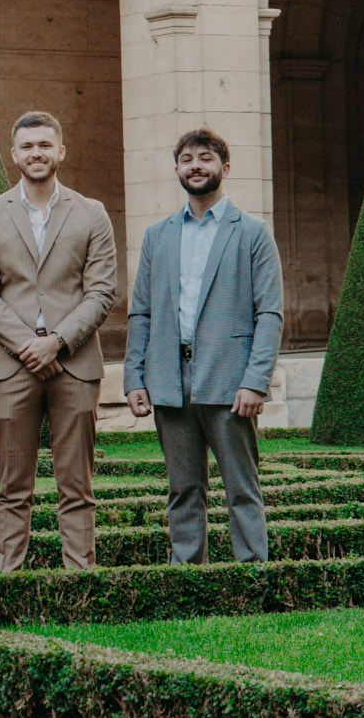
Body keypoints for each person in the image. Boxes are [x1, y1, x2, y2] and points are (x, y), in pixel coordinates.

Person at [0, 109, 118, 572]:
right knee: (12, 489)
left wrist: (57, 342)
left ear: (60, 151)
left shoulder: (91, 213)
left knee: (78, 487)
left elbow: (102, 291)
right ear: (14, 155)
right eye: (28, 147)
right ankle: (8, 582)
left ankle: (80, 582)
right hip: (10, 366)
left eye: (44, 145)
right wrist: (28, 345)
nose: (37, 153)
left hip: (73, 364)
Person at [124, 127, 285, 564]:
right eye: (187, 159)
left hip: (231, 383)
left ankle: (253, 576)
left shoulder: (252, 232)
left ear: (224, 168)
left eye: (206, 158)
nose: (196, 166)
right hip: (170, 382)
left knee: (242, 490)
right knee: (182, 490)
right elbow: (141, 312)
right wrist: (134, 377)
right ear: (176, 169)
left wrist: (256, 381)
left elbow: (269, 313)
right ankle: (187, 578)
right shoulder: (158, 235)